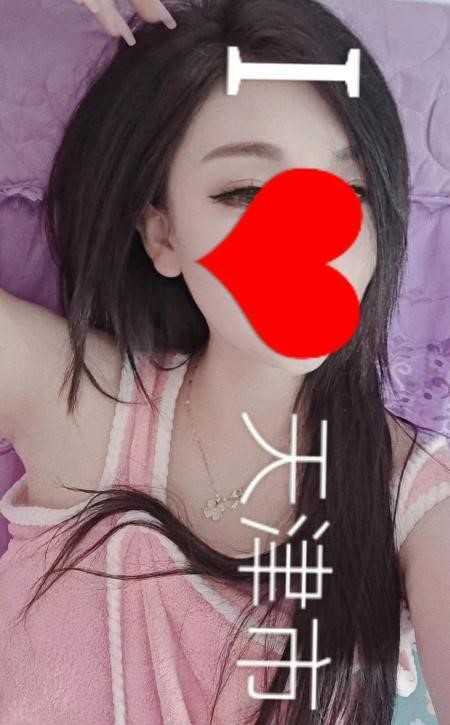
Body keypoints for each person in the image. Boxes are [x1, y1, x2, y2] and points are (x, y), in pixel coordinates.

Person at [0, 0, 449, 723]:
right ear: (163, 236)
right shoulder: (74, 401)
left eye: (350, 191)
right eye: (244, 191)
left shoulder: (414, 495)